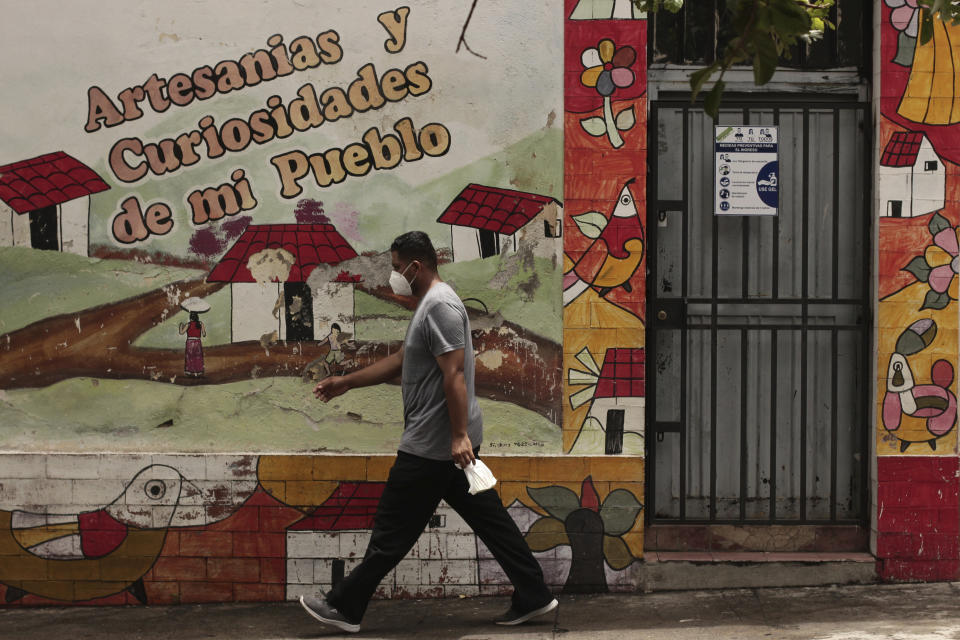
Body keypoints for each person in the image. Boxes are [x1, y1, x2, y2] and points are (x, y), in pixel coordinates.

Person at [299, 231, 557, 634]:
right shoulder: (429, 307)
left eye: (397, 267)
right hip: (446, 445)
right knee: (492, 523)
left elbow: (453, 374)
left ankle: (344, 606)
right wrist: (346, 381)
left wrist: (458, 437)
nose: (394, 274)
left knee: (391, 531)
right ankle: (535, 595)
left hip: (434, 447)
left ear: (416, 267)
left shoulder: (439, 307)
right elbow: (405, 359)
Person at [178, 311, 206, 377]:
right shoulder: (200, 323)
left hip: (190, 342)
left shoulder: (188, 324)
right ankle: (199, 371)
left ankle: (189, 371)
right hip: (197, 342)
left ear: (190, 317)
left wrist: (180, 326)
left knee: (189, 356)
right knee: (198, 356)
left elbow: (181, 332)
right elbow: (204, 334)